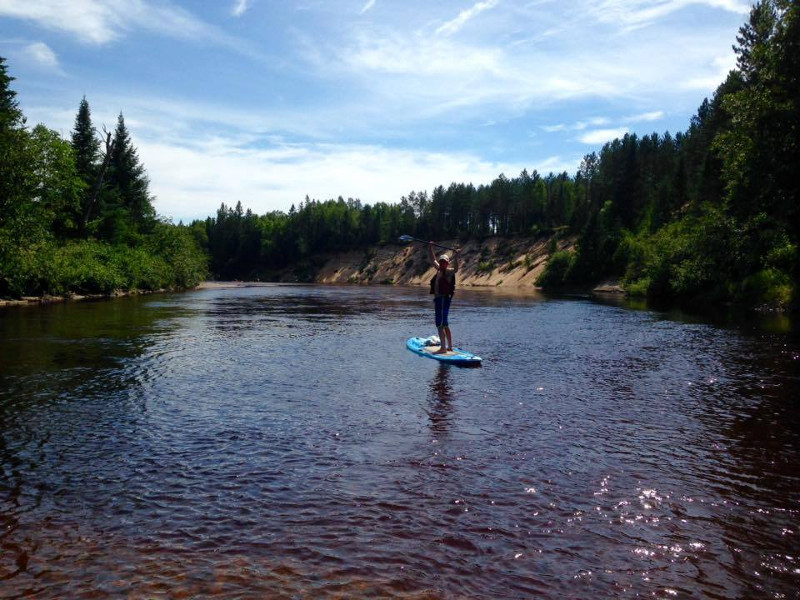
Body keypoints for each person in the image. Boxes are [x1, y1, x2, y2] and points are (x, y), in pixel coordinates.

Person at [428, 241, 460, 354]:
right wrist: (431, 247)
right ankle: (449, 346)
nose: (441, 264)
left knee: (440, 324)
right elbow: (433, 259)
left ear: (447, 263)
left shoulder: (448, 272)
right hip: (440, 300)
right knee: (445, 324)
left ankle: (443, 348)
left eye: (444, 262)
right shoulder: (439, 269)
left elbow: (456, 269)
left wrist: (456, 257)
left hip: (442, 300)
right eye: (441, 262)